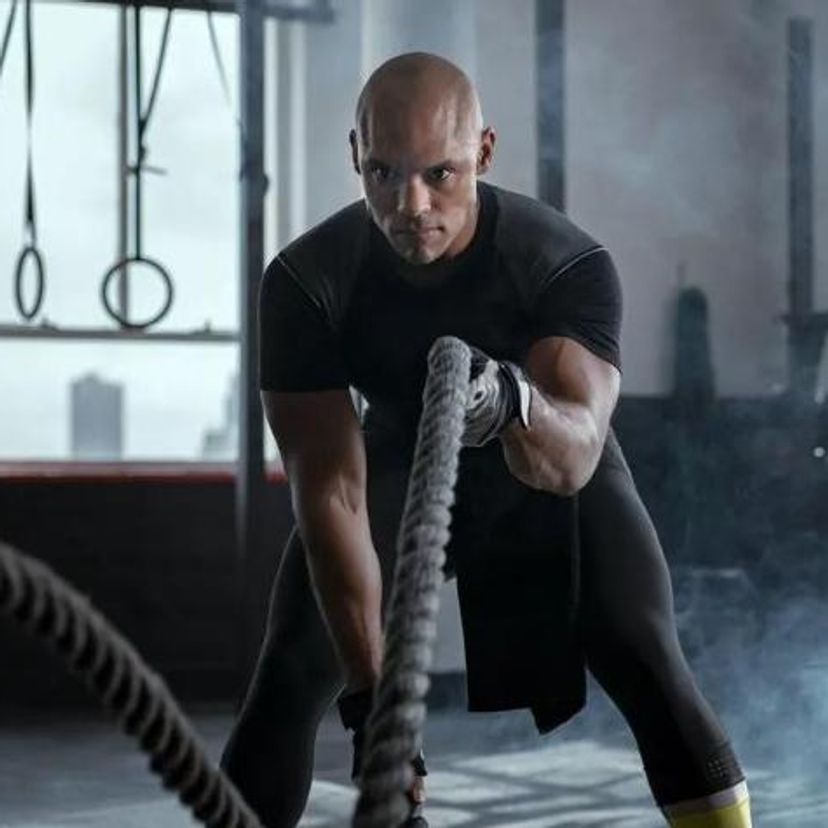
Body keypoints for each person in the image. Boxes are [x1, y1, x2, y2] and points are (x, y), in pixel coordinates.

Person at [220, 52, 752, 828]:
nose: (411, 205)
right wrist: (377, 711)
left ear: (485, 154)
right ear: (355, 157)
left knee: (639, 647)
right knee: (293, 670)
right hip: (397, 458)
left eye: (440, 173)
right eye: (384, 173)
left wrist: (510, 401)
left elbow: (574, 455)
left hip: (543, 452)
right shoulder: (307, 283)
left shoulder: (560, 262)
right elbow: (331, 490)